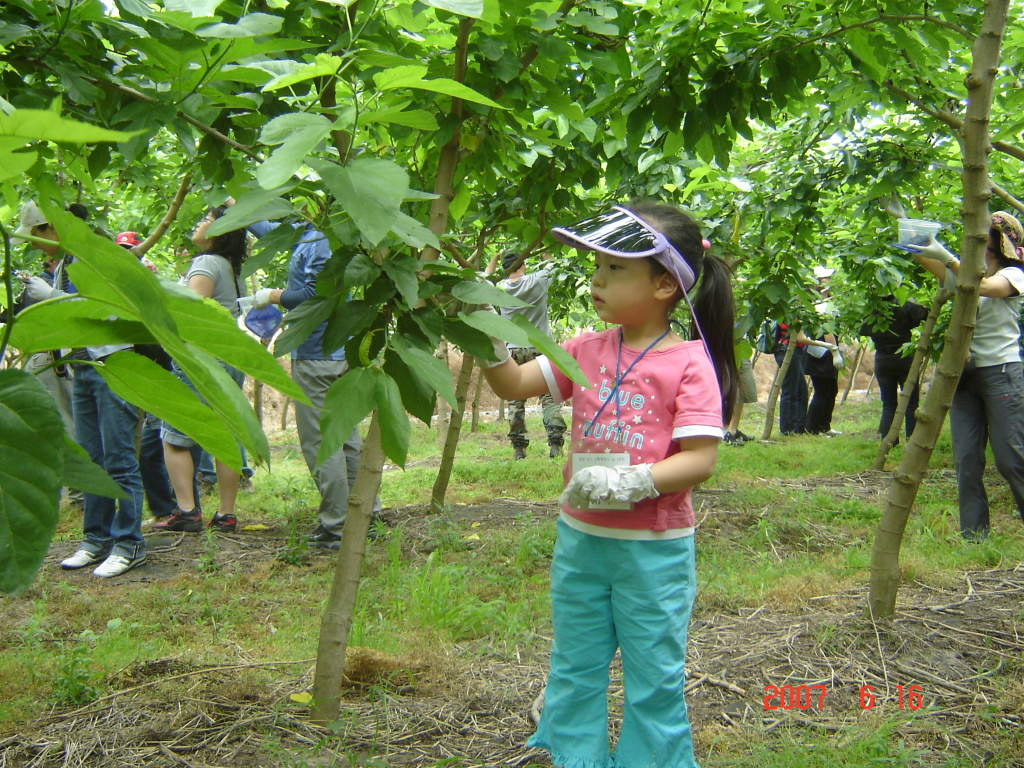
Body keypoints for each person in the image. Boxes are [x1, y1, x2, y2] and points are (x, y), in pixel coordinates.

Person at [482, 202, 737, 768]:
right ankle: (577, 756)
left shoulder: (690, 364)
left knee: (654, 673)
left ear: (666, 284)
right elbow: (513, 384)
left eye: (615, 268)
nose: (596, 278)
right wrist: (481, 327)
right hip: (582, 539)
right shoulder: (584, 350)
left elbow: (700, 459)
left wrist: (634, 481)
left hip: (654, 550)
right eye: (597, 265)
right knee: (574, 662)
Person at [15, 200, 146, 577]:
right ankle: (96, 540)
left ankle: (129, 543)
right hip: (82, 369)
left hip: (111, 366)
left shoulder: (95, 256)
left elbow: (106, 309)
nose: (36, 245)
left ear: (50, 228)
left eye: (36, 236)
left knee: (119, 459)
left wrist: (50, 297)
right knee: (92, 461)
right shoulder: (64, 265)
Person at [246, 215, 381, 549]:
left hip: (318, 357)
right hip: (338, 354)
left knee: (322, 443)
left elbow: (313, 294)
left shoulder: (319, 240)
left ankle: (337, 526)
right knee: (345, 435)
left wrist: (274, 295)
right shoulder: (324, 235)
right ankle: (366, 515)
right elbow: (274, 233)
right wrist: (236, 208)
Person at [908, 212, 1024, 539]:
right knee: (967, 461)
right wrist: (913, 237)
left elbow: (983, 286)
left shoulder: (1015, 274)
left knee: (1010, 458)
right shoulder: (964, 273)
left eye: (987, 231)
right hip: (963, 375)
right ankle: (974, 537)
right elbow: (938, 267)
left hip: (1001, 372)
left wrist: (944, 253)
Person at [154, 203, 248, 534]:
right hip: (228, 356)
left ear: (221, 230)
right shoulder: (229, 267)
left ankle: (187, 511)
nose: (199, 222)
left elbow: (190, 311)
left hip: (202, 358)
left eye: (206, 218)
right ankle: (226, 514)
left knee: (175, 436)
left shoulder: (206, 262)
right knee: (224, 437)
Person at [483, 250, 567, 459]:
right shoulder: (537, 281)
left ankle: (519, 448)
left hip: (513, 348)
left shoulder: (500, 288)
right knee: (549, 397)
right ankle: (555, 444)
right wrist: (546, 252)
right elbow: (553, 265)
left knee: (515, 398)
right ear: (523, 265)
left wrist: (494, 258)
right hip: (541, 348)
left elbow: (484, 280)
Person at [859, 296, 928, 440]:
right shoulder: (903, 304)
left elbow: (863, 330)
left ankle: (889, 440)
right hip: (904, 356)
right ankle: (912, 439)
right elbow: (926, 314)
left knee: (889, 404)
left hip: (882, 359)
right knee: (911, 402)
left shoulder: (872, 308)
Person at [797, 330, 843, 436]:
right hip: (822, 356)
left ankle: (824, 426)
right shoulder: (824, 315)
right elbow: (827, 333)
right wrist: (835, 352)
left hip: (821, 354)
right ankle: (812, 428)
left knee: (830, 391)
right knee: (823, 391)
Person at [773, 322, 808, 434]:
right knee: (790, 391)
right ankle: (788, 429)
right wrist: (825, 345)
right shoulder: (792, 315)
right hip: (787, 351)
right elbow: (800, 338)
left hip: (791, 351)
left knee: (800, 390)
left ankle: (799, 427)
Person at [724, 350, 756, 445]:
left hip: (739, 349)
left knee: (742, 392)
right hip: (724, 352)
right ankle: (724, 432)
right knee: (727, 392)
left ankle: (733, 431)